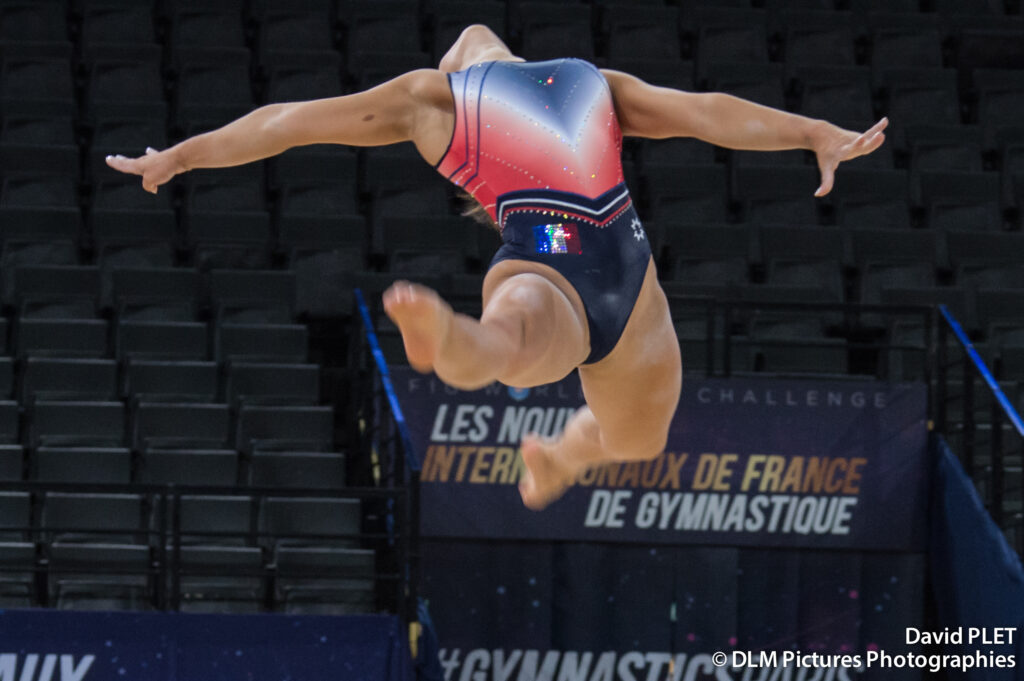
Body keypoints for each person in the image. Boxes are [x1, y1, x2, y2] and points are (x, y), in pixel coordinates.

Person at [107, 25, 888, 511]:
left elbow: (707, 112)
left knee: (619, 421)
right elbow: (289, 124)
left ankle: (545, 439)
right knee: (524, 344)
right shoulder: (504, 90)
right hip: (581, 257)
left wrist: (813, 132)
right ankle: (448, 338)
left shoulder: (517, 91)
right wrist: (181, 156)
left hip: (587, 267)